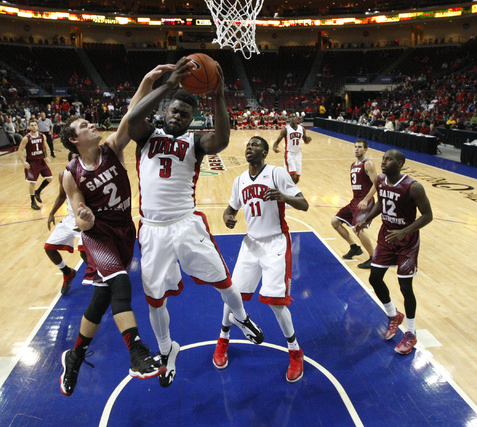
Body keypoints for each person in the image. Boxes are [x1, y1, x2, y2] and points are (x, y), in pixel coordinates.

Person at [127, 57, 264, 389]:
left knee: (224, 281)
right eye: (174, 111)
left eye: (185, 114)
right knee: (155, 299)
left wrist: (218, 95)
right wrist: (168, 86)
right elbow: (132, 119)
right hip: (152, 230)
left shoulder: (195, 142)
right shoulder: (146, 135)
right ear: (165, 111)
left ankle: (242, 318)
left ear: (192, 120)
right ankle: (166, 350)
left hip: (186, 224)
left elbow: (222, 140)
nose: (178, 116)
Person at [57, 64, 175, 397]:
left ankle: (75, 356)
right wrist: (84, 218)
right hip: (98, 236)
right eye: (83, 126)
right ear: (74, 140)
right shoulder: (71, 173)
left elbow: (131, 114)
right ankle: (136, 352)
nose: (91, 125)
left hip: (124, 231)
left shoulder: (111, 147)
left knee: (102, 299)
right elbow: (80, 218)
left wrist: (147, 80)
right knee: (122, 284)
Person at [215, 136, 309, 383]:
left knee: (276, 303)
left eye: (255, 145)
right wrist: (227, 217)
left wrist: (283, 197)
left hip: (276, 243)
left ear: (265, 152)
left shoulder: (277, 173)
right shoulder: (239, 180)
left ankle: (295, 352)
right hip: (251, 243)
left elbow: (304, 204)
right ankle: (223, 339)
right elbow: (231, 208)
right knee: (232, 295)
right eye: (248, 145)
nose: (250, 147)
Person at [354, 149, 433, 355]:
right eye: (383, 159)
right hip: (386, 236)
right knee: (375, 278)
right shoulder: (380, 180)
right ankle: (393, 315)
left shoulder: (413, 187)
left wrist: (404, 232)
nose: (383, 162)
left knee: (405, 287)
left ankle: (411, 333)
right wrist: (367, 219)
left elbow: (428, 215)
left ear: (400, 163)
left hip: (407, 241)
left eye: (388, 160)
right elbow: (382, 202)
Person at [44, 154, 93, 295]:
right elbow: (61, 195)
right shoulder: (63, 175)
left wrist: (84, 221)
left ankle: (101, 276)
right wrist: (52, 213)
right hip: (70, 219)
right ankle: (67, 272)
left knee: (83, 252)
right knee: (49, 248)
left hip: (85, 217)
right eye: (73, 159)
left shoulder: (90, 175)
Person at [331, 139, 378, 269]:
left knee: (358, 228)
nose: (357, 149)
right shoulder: (353, 165)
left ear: (365, 149)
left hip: (365, 200)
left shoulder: (368, 164)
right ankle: (354, 247)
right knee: (335, 222)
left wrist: (366, 199)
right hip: (355, 200)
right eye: (355, 147)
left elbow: (376, 183)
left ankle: (373, 258)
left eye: (360, 147)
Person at [18, 120, 53, 210]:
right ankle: (32, 202)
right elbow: (20, 150)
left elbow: (46, 147)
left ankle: (38, 191)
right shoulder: (26, 138)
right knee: (32, 182)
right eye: (32, 125)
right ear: (29, 127)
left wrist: (48, 156)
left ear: (37, 126)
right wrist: (23, 162)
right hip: (32, 163)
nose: (34, 127)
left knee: (49, 178)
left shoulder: (42, 136)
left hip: (41, 161)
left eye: (35, 125)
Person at [272, 113, 311, 184]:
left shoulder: (302, 129)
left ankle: (288, 187)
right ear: (288, 119)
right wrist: (274, 147)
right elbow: (277, 141)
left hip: (298, 154)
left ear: (297, 118)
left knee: (297, 178)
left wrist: (309, 139)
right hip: (289, 154)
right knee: (293, 176)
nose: (292, 118)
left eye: (294, 116)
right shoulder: (285, 129)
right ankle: (287, 188)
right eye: (290, 117)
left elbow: (306, 141)